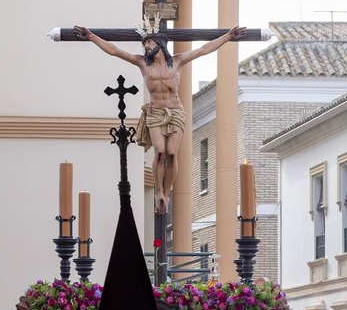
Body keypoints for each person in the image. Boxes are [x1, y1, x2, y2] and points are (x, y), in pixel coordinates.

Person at [74, 22, 246, 214]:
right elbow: (115, 51)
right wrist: (91, 36)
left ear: (160, 44)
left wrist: (228, 36)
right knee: (160, 151)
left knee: (172, 153)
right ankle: (158, 192)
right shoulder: (142, 63)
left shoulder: (178, 61)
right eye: (144, 43)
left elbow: (204, 49)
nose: (146, 46)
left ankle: (167, 191)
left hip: (176, 112)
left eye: (149, 42)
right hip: (155, 113)